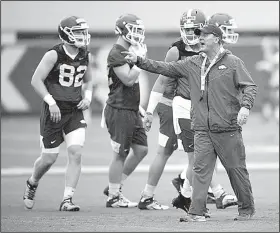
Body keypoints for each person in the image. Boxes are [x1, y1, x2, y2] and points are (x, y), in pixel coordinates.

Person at [122, 23, 257, 221]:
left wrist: (245, 107)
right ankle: (196, 212)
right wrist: (139, 61)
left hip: (227, 128)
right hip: (202, 128)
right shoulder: (193, 63)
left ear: (217, 39)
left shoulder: (233, 62)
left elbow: (250, 87)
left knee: (236, 170)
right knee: (200, 171)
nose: (199, 38)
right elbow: (164, 68)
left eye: (204, 35)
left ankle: (246, 209)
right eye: (198, 35)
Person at [172, 12, 241, 211]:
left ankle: (186, 190)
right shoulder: (200, 53)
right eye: (225, 29)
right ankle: (213, 193)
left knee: (205, 157)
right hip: (189, 108)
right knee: (199, 158)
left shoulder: (222, 55)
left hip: (206, 110)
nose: (229, 33)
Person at [23, 16, 94, 211]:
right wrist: (51, 102)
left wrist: (87, 97)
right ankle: (32, 182)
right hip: (54, 110)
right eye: (78, 32)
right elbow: (36, 80)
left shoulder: (85, 54)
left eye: (83, 32)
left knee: (76, 152)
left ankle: (67, 199)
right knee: (49, 159)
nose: (82, 36)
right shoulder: (54, 54)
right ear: (66, 33)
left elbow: (88, 80)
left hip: (74, 110)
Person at [102, 14, 148, 208]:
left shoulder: (127, 50)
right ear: (121, 30)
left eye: (139, 30)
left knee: (141, 150)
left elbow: (129, 85)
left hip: (130, 108)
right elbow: (128, 79)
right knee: (120, 154)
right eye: (133, 29)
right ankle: (113, 196)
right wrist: (140, 61)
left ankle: (114, 186)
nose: (137, 34)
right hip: (119, 109)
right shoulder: (116, 52)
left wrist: (138, 106)